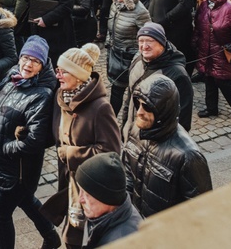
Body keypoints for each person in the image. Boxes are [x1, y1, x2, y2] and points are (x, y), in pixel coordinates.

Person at [0, 37, 59, 249]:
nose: (28, 65)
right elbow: (3, 98)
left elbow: (33, 142)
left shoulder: (41, 94)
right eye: (25, 58)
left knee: (0, 215)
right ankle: (52, 236)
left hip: (16, 171)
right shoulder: (15, 75)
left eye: (35, 61)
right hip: (2, 163)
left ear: (42, 65)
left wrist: (4, 146)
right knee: (26, 200)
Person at [52, 43, 122, 247]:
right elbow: (56, 135)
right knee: (70, 234)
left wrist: (71, 153)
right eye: (58, 70)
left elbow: (111, 152)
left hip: (90, 188)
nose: (58, 76)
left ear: (79, 76)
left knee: (82, 239)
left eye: (63, 71)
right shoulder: (62, 98)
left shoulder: (100, 108)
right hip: (69, 183)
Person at [123, 76, 212, 217]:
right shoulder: (136, 129)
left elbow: (200, 210)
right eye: (138, 104)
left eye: (147, 106)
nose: (139, 112)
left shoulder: (188, 157)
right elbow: (128, 172)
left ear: (163, 110)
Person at [122, 22, 193, 143]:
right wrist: (124, 128)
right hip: (132, 136)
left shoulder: (178, 75)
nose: (144, 46)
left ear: (162, 43)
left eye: (150, 41)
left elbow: (182, 122)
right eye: (141, 41)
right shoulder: (137, 61)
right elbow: (129, 100)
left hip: (156, 143)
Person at [76, 153, 142, 248]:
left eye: (87, 194)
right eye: (80, 190)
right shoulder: (103, 215)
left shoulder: (122, 244)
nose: (80, 199)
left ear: (106, 198)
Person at [106, 0, 150, 115]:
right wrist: (109, 43)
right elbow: (110, 28)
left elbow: (147, 38)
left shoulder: (140, 12)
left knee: (132, 94)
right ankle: (111, 122)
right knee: (116, 90)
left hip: (130, 58)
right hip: (115, 54)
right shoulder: (115, 6)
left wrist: (138, 57)